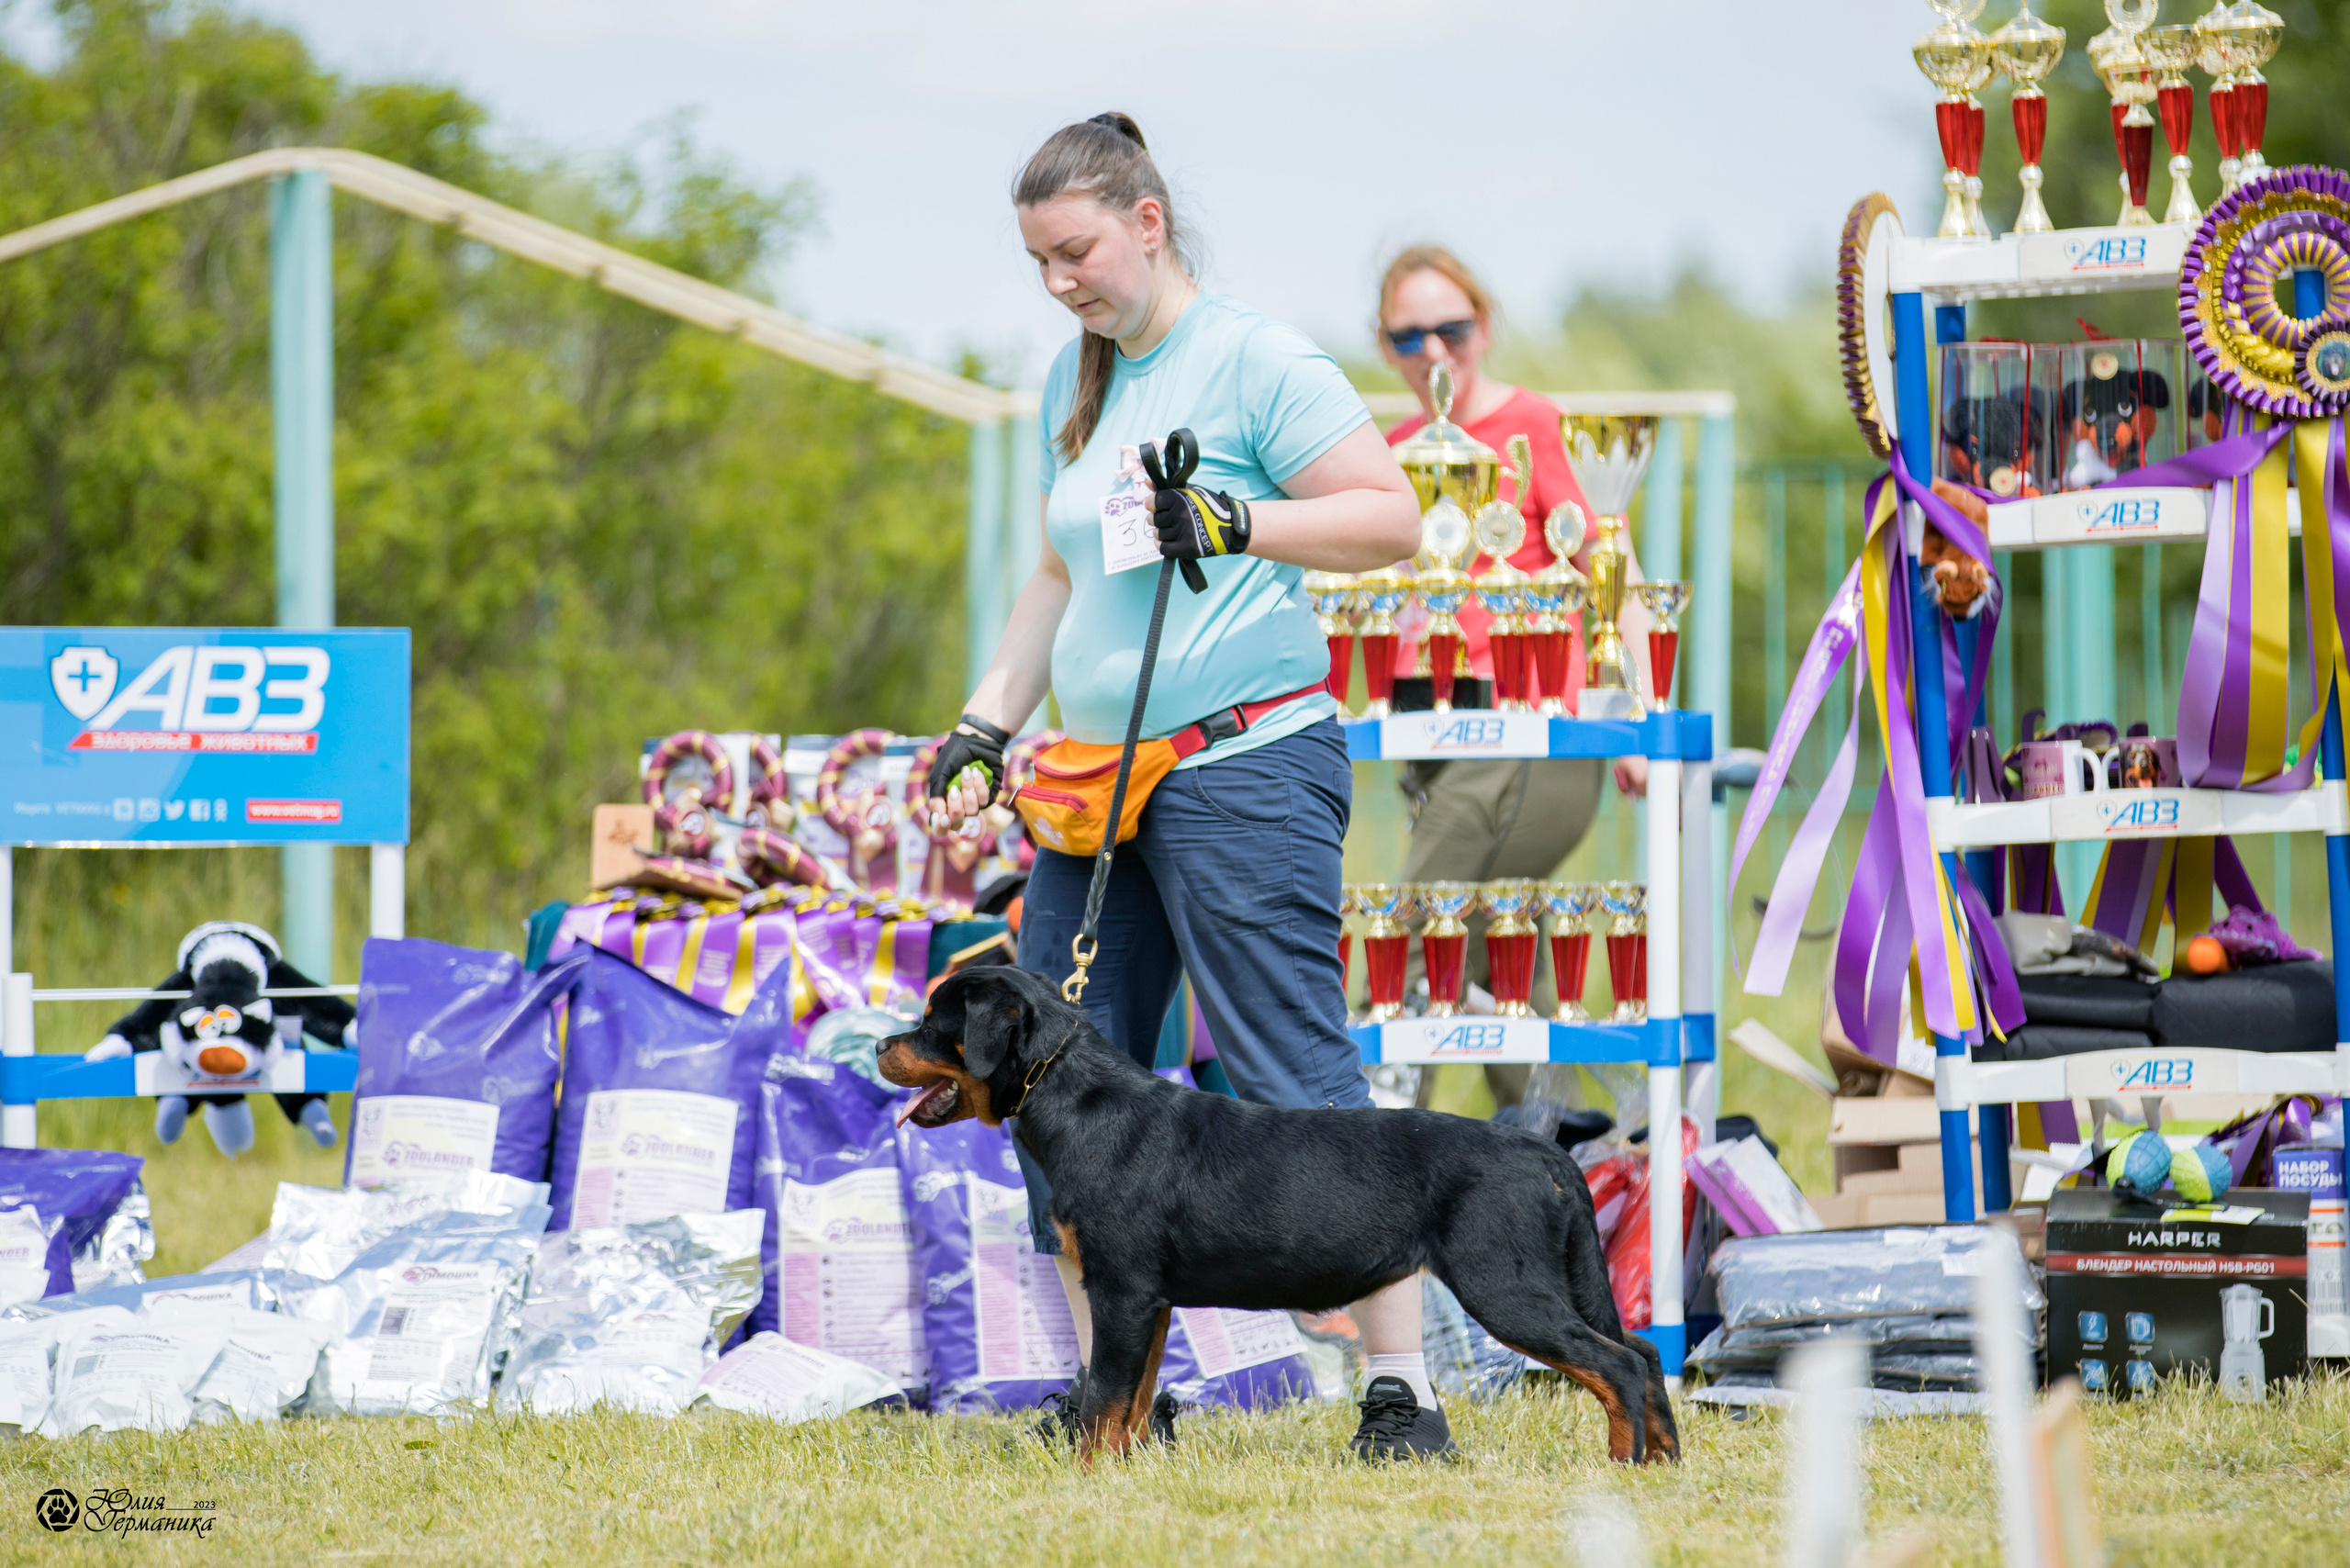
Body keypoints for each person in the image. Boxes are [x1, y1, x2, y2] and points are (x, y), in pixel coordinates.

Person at [924, 113, 1453, 1460]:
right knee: (1048, 1079)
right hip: (1097, 790)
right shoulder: (1073, 381)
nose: (1061, 284)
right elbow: (1059, 575)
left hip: (1244, 765)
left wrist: (1237, 519)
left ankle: (1403, 1392)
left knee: (1288, 1062)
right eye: (1040, 262)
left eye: (1078, 252)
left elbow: (1391, 516)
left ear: (1147, 221)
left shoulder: (1256, 360)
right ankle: (1120, 1403)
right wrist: (986, 723)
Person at [1373, 246, 1653, 1112]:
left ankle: (1357, 1172)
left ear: (1483, 328)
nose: (1433, 351)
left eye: (1450, 328)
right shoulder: (1388, 454)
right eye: (1409, 335)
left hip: (1532, 732)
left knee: (1414, 931)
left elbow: (1615, 568)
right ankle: (1566, 1165)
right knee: (1504, 960)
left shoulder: (1532, 424)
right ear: (1385, 347)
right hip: (1430, 738)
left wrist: (1643, 707)